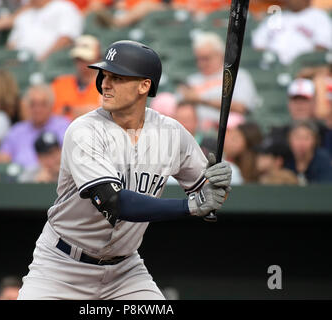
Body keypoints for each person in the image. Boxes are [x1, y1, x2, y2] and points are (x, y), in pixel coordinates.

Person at [18, 40, 232, 300]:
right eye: (104, 75)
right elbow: (113, 202)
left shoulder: (172, 134)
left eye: (117, 77)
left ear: (144, 85)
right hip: (61, 267)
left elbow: (208, 198)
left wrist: (217, 187)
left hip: (124, 272)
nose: (105, 84)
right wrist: (189, 206)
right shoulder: (84, 130)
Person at [178, 32, 259, 133]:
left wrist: (201, 99)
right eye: (198, 59)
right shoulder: (192, 80)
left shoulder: (238, 76)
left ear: (220, 55)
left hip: (229, 132)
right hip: (197, 133)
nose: (201, 63)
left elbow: (241, 107)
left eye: (206, 58)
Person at [0, 84, 69, 169]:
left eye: (43, 104)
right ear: (27, 106)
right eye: (33, 104)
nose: (37, 109)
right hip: (22, 179)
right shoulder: (17, 131)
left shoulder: (63, 126)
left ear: (51, 106)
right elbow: (2, 159)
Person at [252, 0, 332, 65]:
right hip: (271, 67)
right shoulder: (276, 17)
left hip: (302, 68)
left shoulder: (319, 16)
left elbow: (322, 47)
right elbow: (258, 45)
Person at [7, 0, 83, 61]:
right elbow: (11, 43)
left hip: (52, 62)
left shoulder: (64, 7)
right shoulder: (25, 14)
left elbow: (66, 39)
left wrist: (42, 59)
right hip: (22, 64)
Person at [51, 35, 102, 120]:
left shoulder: (106, 85)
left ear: (97, 58)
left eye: (85, 59)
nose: (81, 63)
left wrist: (69, 110)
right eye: (78, 59)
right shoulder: (60, 83)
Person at [285, 120, 332, 184]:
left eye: (306, 138)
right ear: (289, 139)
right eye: (297, 138)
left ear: (315, 140)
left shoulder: (323, 159)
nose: (301, 143)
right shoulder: (283, 158)